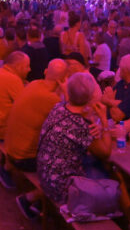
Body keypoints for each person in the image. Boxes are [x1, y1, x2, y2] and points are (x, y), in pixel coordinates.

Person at [3, 59, 68, 219]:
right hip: (24, 158)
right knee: (66, 170)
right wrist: (66, 92)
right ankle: (30, 200)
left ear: (45, 71)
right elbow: (70, 119)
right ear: (64, 79)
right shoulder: (51, 99)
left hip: (10, 149)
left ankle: (39, 204)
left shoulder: (34, 84)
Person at [36, 72, 112, 207]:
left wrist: (91, 120)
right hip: (62, 188)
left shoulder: (59, 107)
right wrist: (104, 121)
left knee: (92, 161)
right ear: (90, 98)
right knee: (109, 177)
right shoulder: (82, 125)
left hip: (44, 175)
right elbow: (105, 152)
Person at [0, 51, 30, 145]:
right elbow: (25, 107)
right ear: (18, 67)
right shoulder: (13, 79)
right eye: (27, 66)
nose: (29, 69)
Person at [101, 53, 130, 122]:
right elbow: (102, 99)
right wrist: (118, 103)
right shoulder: (122, 82)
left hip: (121, 126)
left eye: (120, 68)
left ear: (124, 70)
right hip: (108, 121)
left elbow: (117, 116)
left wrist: (109, 100)